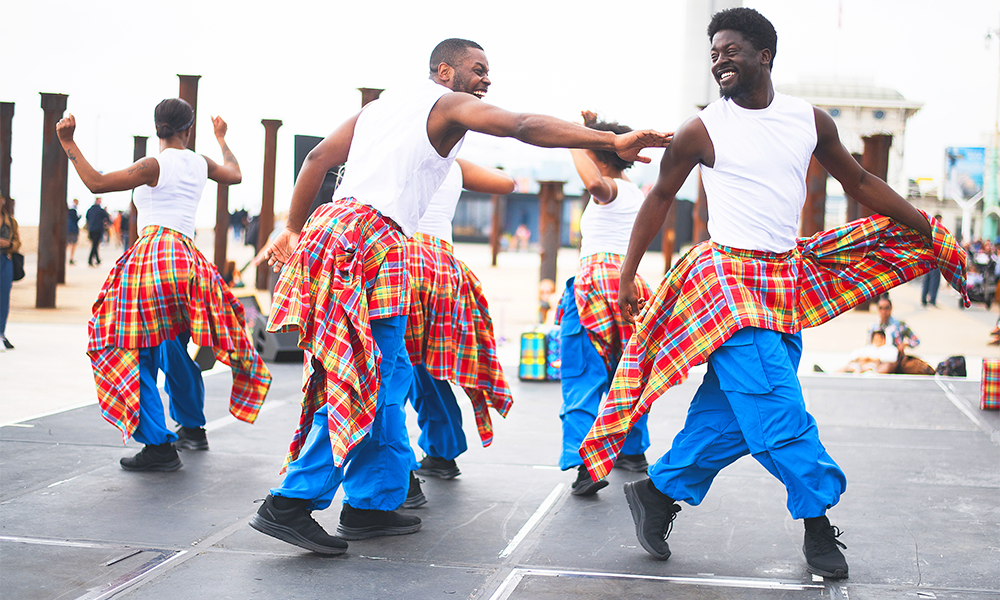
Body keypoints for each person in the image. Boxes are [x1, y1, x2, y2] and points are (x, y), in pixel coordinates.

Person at [578, 8, 968, 580]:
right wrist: (626, 275)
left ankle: (659, 492)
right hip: (726, 282)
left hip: (783, 279)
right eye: (713, 53)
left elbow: (858, 182)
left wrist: (923, 225)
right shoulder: (702, 128)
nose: (719, 61)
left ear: (764, 55)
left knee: (732, 412)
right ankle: (816, 523)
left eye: (730, 50)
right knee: (777, 408)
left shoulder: (808, 121)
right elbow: (661, 196)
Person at [249, 37, 670, 556]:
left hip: (345, 233)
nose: (486, 79)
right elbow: (519, 125)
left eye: (488, 71)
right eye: (478, 69)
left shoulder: (379, 109)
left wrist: (291, 226)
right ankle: (291, 502)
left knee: (390, 371)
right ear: (444, 71)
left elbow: (316, 157)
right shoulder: (445, 104)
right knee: (372, 376)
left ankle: (370, 503)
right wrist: (608, 138)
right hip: (368, 239)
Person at [56, 99, 271, 471]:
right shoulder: (200, 162)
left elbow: (96, 183)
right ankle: (192, 427)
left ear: (158, 128)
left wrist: (68, 142)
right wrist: (221, 139)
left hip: (154, 257)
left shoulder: (154, 164)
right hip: (188, 262)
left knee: (128, 346)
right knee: (173, 345)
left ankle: (157, 444)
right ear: (188, 129)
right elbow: (234, 174)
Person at [403, 159, 515, 500]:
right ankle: (442, 451)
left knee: (390, 370)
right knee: (429, 366)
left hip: (404, 257)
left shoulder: (403, 151)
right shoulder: (454, 162)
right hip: (443, 266)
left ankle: (397, 472)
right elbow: (507, 182)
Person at [556, 111, 654, 496]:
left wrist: (572, 138)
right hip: (629, 283)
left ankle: (587, 461)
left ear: (602, 155)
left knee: (583, 374)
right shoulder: (634, 190)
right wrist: (591, 128)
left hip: (596, 282)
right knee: (624, 371)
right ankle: (632, 451)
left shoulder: (610, 188)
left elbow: (594, 183)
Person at [0, 194, 21, 351]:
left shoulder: (11, 221)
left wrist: (9, 244)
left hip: (5, 260)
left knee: (4, 298)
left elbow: (18, 242)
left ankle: (1, 333)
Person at [920, 214, 943, 306]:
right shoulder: (937, 231)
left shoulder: (927, 229)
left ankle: (923, 300)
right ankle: (932, 300)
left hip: (927, 258)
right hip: (934, 259)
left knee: (927, 279)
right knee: (934, 280)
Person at [85, 197, 111, 266]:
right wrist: (107, 223)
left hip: (91, 229)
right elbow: (107, 217)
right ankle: (90, 260)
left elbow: (87, 217)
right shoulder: (100, 210)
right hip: (98, 229)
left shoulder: (90, 210)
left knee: (94, 244)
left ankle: (98, 259)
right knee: (95, 245)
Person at [67, 198, 81, 264]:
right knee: (73, 244)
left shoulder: (68, 210)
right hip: (73, 229)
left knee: (67, 244)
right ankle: (71, 258)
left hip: (67, 228)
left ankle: (66, 257)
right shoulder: (73, 210)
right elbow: (76, 219)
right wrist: (79, 217)